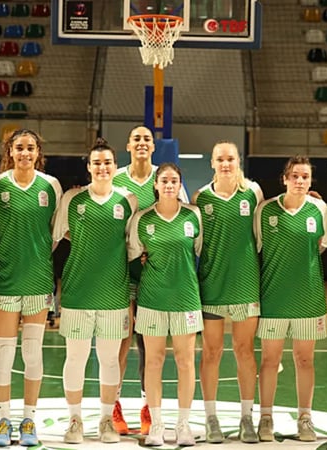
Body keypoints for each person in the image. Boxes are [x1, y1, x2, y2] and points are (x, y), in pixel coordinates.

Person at [0, 129, 62, 447]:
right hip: (5, 281)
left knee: (32, 351)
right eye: (19, 148)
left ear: (38, 152)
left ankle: (29, 420)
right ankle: (3, 420)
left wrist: (36, 253)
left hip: (38, 281)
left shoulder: (51, 185)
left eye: (30, 148)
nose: (25, 153)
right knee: (4, 350)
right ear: (10, 152)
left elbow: (54, 234)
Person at [52, 138, 138, 444]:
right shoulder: (72, 199)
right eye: (97, 163)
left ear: (115, 166)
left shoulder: (128, 201)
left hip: (114, 294)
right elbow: (59, 235)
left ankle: (106, 420)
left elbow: (132, 244)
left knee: (110, 360)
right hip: (78, 293)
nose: (102, 168)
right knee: (75, 358)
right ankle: (74, 420)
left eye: (107, 163)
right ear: (89, 167)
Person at [111, 125, 188, 436]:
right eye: (136, 139)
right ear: (128, 145)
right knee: (121, 339)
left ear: (154, 147)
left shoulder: (165, 178)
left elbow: (183, 216)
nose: (142, 143)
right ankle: (113, 404)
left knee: (148, 344)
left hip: (156, 274)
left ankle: (147, 406)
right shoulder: (115, 178)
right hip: (121, 269)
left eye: (147, 139)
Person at [254, 155, 327, 443]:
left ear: (311, 181)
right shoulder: (265, 211)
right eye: (295, 176)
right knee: (270, 360)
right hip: (273, 298)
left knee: (304, 359)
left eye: (305, 177)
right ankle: (265, 418)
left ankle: (305, 418)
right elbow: (257, 247)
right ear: (285, 179)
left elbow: (323, 243)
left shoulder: (318, 209)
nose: (300, 181)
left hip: (308, 298)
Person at [127, 163, 203, 447]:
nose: (169, 185)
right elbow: (133, 256)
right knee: (154, 360)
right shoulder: (142, 219)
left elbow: (199, 251)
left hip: (186, 299)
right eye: (164, 181)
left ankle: (183, 425)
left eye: (174, 181)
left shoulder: (193, 215)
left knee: (185, 361)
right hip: (152, 299)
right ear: (156, 185)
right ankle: (156, 425)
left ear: (179, 185)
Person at [193, 141, 263, 444]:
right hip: (212, 285)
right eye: (220, 159)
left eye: (230, 159)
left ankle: (247, 417)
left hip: (245, 285)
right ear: (212, 163)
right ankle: (211, 417)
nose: (225, 164)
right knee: (211, 353)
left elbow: (261, 235)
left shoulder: (253, 193)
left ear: (238, 161)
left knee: (244, 351)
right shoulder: (201, 198)